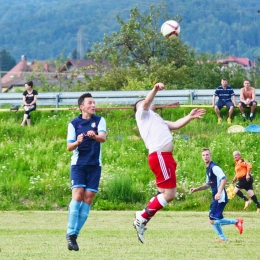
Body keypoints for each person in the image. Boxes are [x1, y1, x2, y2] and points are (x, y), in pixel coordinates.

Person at [133, 82, 206, 243]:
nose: (147, 103)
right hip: (160, 156)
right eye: (143, 103)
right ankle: (142, 216)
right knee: (170, 194)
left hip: (164, 158)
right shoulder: (142, 114)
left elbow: (175, 125)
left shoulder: (157, 119)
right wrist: (155, 89)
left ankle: (143, 219)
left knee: (162, 193)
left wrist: (190, 116)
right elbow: (145, 103)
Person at [65, 93, 107, 251]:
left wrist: (95, 136)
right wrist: (78, 141)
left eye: (94, 102)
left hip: (95, 165)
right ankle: (70, 232)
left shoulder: (99, 120)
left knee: (88, 199)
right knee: (78, 195)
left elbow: (103, 138)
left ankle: (74, 234)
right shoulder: (73, 123)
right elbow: (69, 147)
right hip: (78, 164)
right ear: (81, 107)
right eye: (90, 103)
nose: (93, 105)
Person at [190, 148, 243, 242]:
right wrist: (196, 189)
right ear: (202, 157)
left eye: (207, 155)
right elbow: (207, 184)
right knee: (213, 219)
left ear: (210, 156)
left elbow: (224, 179)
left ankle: (236, 222)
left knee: (212, 220)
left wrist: (219, 192)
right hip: (216, 196)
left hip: (220, 197)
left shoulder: (214, 167)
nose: (205, 157)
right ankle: (223, 238)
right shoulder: (208, 168)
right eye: (203, 155)